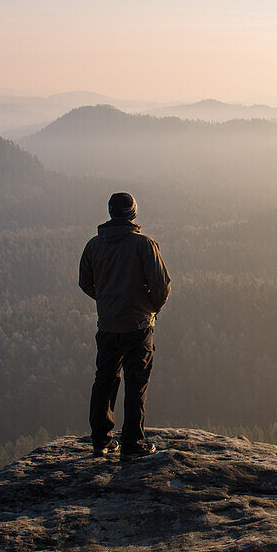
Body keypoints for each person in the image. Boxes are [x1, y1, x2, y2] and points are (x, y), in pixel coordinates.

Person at [79, 192, 171, 458]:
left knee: (104, 380)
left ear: (110, 213)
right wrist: (151, 307)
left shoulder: (94, 246)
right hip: (138, 326)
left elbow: (86, 283)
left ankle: (101, 440)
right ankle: (132, 444)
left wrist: (107, 301)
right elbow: (162, 285)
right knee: (135, 383)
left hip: (107, 325)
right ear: (133, 213)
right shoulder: (144, 245)